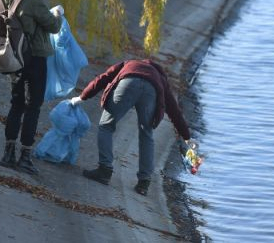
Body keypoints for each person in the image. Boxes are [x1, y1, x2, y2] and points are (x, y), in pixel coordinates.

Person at [70, 59, 191, 196]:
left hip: (128, 82)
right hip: (151, 90)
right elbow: (174, 109)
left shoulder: (127, 63)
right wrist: (186, 136)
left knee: (106, 126)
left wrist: (82, 97)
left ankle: (104, 170)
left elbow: (102, 79)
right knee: (146, 133)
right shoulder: (160, 78)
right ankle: (144, 183)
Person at [0, 0, 63, 175]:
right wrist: (58, 14)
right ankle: (25, 157)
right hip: (34, 59)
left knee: (16, 104)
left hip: (11, 57)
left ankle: (8, 153)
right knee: (33, 107)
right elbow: (52, 27)